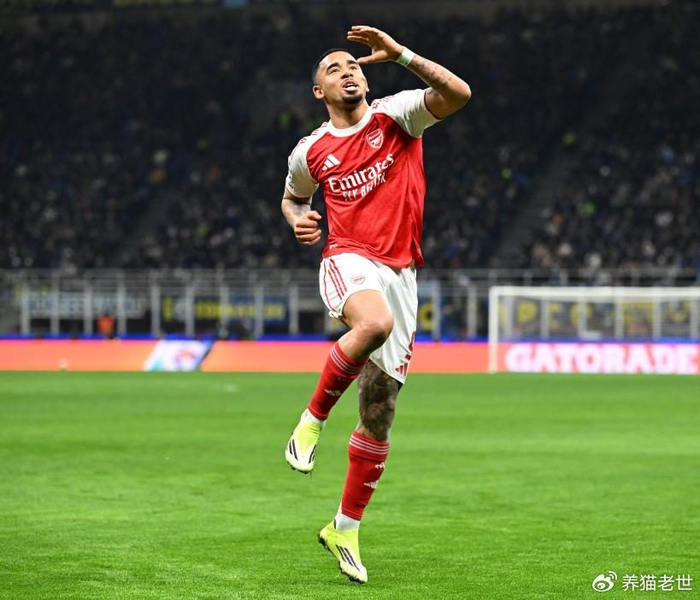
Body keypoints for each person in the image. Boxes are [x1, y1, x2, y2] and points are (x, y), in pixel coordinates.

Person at [282, 25, 471, 584]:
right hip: (348, 258)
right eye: (334, 68)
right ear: (318, 91)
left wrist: (403, 55)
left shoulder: (397, 115)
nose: (347, 71)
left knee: (380, 411)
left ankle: (344, 527)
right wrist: (300, 221)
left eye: (353, 65)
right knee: (373, 323)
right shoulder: (310, 151)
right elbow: (293, 198)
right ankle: (310, 422)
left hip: (402, 272)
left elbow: (458, 94)